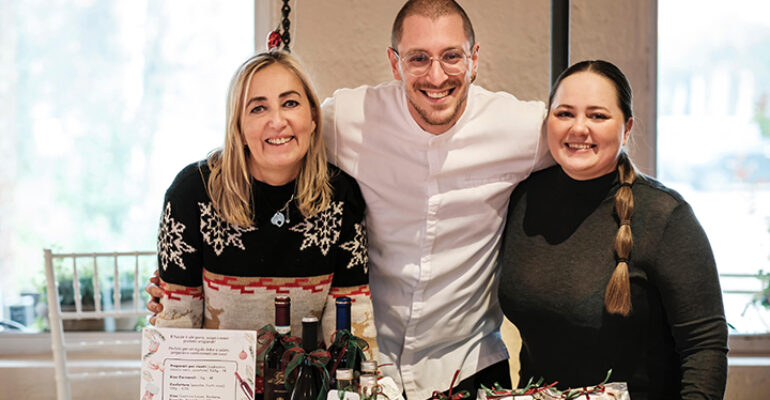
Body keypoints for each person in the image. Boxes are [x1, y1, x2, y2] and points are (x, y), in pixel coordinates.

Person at [149, 1, 551, 397]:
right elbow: (269, 145)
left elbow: (592, 147)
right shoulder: (347, 120)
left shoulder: (522, 129)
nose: (436, 74)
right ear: (395, 63)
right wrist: (175, 286)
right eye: (417, 58)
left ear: (474, 59)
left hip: (468, 362)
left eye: (451, 56)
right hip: (375, 368)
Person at [498, 60, 728, 399]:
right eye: (564, 113)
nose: (578, 128)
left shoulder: (665, 217)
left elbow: (704, 348)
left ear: (628, 127)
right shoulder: (521, 199)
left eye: (597, 115)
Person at [153, 50, 377, 359]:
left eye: (290, 103)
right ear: (239, 127)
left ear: (312, 118)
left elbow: (350, 323)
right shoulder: (192, 192)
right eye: (258, 108)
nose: (277, 120)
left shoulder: (340, 195)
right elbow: (176, 321)